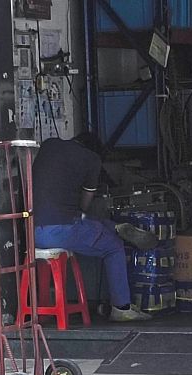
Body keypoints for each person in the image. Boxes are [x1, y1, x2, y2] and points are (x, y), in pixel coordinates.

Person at [31, 132, 156, 322]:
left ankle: (113, 226)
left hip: (31, 229)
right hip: (61, 230)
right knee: (113, 246)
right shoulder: (92, 159)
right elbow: (84, 205)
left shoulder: (49, 145)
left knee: (88, 222)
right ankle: (121, 308)